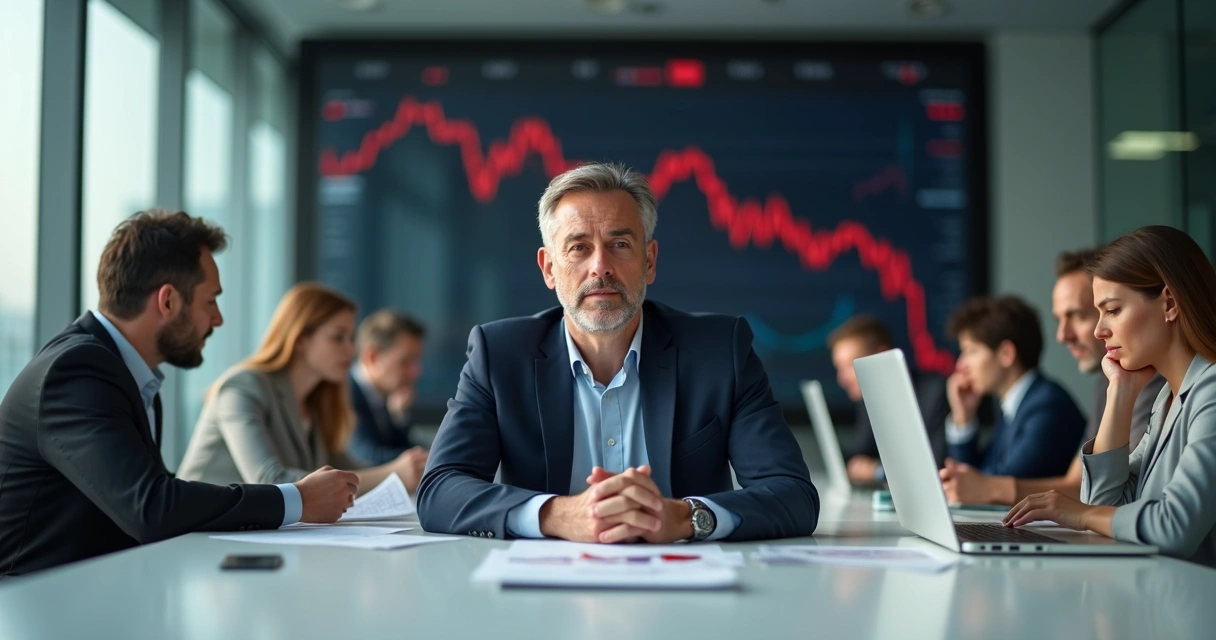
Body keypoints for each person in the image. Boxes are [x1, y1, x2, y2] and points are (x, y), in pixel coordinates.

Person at [416, 162, 819, 543]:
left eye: (620, 244)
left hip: (684, 579)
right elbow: (439, 490)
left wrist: (684, 517)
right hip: (544, 584)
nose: (600, 267)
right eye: (578, 247)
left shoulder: (719, 350)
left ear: (649, 261)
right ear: (549, 268)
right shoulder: (499, 354)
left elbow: (793, 493)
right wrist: (559, 516)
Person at [0, 211, 357, 578]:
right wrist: (297, 499)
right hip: (37, 600)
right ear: (168, 301)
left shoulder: (126, 374)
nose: (218, 319)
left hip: (96, 587)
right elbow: (151, 506)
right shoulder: (76, 371)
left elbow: (157, 495)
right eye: (210, 301)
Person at [1005, 226, 1216, 567]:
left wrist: (1081, 515)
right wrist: (1120, 391)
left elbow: (1174, 526)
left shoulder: (1211, 391)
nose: (1099, 330)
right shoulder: (1167, 399)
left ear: (1169, 303)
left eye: (1113, 310)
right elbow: (1105, 504)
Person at [942, 249, 1165, 505]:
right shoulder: (1108, 384)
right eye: (1059, 319)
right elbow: (1083, 484)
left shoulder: (1048, 406)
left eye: (1077, 315)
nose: (1061, 336)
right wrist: (963, 420)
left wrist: (989, 488)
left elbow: (1099, 491)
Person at [178, 283, 425, 493]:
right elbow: (269, 480)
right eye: (338, 337)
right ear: (300, 339)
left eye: (351, 339)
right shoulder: (242, 388)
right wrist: (392, 474)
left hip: (253, 529)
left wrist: (404, 469)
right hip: (198, 529)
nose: (351, 350)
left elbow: (347, 468)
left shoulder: (315, 401)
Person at [939, 295, 1086, 484]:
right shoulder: (1016, 406)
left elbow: (993, 488)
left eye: (971, 351)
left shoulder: (1047, 407)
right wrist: (964, 418)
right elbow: (973, 480)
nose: (961, 365)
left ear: (1006, 354)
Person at [826, 315, 949, 483]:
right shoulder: (869, 398)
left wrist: (878, 471)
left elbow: (938, 469)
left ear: (882, 356)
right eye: (839, 368)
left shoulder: (935, 394)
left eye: (850, 366)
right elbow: (858, 455)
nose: (842, 379)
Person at [349, 310, 429, 473]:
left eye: (416, 361)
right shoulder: (344, 394)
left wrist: (399, 416)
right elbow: (366, 458)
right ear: (372, 357)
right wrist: (429, 458)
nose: (415, 372)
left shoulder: (383, 397)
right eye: (405, 362)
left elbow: (403, 448)